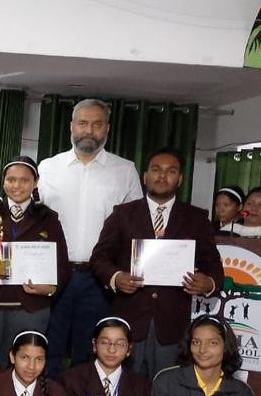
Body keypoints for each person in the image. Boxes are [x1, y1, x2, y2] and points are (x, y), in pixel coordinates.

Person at [90, 147, 224, 380]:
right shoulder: (122, 214)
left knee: (166, 388)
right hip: (130, 320)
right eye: (156, 170)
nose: (162, 176)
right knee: (126, 388)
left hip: (172, 324)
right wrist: (115, 277)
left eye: (171, 171)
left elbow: (213, 263)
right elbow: (99, 258)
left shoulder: (196, 218)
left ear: (180, 179)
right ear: (145, 176)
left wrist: (209, 283)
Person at [37, 98, 143, 377]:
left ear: (107, 128)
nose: (89, 130)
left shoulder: (125, 170)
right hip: (54, 275)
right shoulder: (48, 168)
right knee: (49, 349)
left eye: (97, 124)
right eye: (83, 123)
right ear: (71, 127)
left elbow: (136, 227)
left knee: (92, 352)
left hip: (100, 279)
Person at [0, 156, 70, 383]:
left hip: (30, 309)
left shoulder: (48, 219)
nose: (17, 185)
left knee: (25, 376)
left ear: (35, 183)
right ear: (3, 182)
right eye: (11, 180)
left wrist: (48, 289)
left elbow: (62, 268)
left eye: (24, 180)